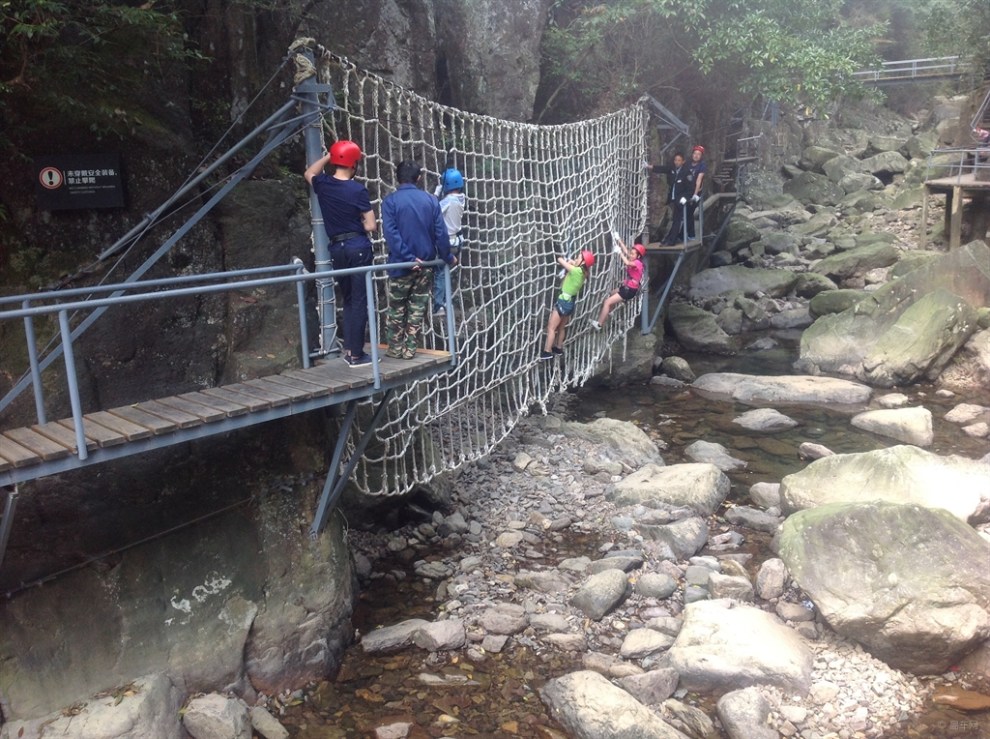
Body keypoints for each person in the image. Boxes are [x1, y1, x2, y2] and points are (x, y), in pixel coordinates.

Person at [304, 140, 377, 367]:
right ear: (354, 164)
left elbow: (309, 172)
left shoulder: (323, 184)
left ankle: (350, 350)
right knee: (360, 301)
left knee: (348, 299)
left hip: (337, 249)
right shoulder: (357, 190)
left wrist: (329, 155)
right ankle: (356, 354)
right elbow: (371, 225)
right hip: (357, 246)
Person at [381, 160, 456, 359]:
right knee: (417, 307)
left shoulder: (390, 202)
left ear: (398, 178)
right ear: (419, 178)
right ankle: (410, 348)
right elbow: (441, 233)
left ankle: (395, 348)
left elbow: (391, 234)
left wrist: (407, 258)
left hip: (401, 265)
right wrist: (447, 256)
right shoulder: (431, 201)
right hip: (426, 265)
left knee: (397, 307)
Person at [540, 249, 594, 360]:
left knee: (551, 328)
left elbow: (560, 260)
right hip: (570, 304)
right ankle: (558, 348)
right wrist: (572, 262)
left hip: (562, 302)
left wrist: (563, 259)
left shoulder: (576, 271)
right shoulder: (584, 273)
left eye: (579, 257)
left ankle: (547, 351)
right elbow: (574, 265)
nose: (576, 258)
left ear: (583, 262)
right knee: (561, 327)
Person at [590, 237, 645, 330]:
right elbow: (626, 251)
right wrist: (618, 239)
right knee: (611, 294)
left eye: (633, 254)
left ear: (638, 256)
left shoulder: (638, 263)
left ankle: (599, 324)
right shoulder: (634, 259)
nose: (630, 255)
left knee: (607, 302)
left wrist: (619, 253)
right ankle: (609, 311)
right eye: (631, 253)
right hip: (627, 287)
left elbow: (627, 262)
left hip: (629, 290)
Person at [432, 168, 466, 315]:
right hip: (457, 242)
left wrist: (435, 194)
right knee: (445, 271)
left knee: (439, 272)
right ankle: (446, 302)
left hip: (447, 243)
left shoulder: (449, 200)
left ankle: (439, 304)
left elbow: (432, 209)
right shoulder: (461, 199)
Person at [652, 152, 690, 245]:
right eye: (675, 160)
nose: (677, 162)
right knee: (673, 220)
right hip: (673, 199)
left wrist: (686, 198)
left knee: (677, 220)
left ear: (683, 161)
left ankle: (672, 240)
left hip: (681, 200)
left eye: (679, 160)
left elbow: (690, 188)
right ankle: (668, 239)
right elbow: (664, 169)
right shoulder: (673, 169)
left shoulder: (686, 172)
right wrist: (651, 167)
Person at [685, 145, 707, 240]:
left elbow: (699, 180)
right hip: (687, 191)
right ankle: (688, 234)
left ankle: (691, 235)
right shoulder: (688, 164)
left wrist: (695, 194)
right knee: (686, 212)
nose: (696, 155)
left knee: (689, 212)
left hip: (696, 192)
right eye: (695, 153)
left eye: (699, 154)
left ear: (701, 156)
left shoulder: (702, 165)